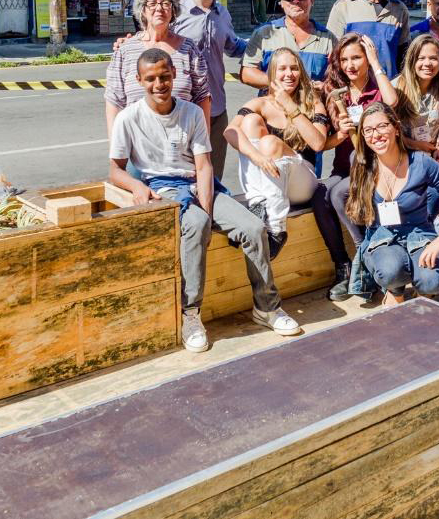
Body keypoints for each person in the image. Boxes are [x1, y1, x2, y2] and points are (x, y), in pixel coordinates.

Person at [109, 49, 301, 353]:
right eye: (151, 78)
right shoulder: (128, 118)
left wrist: (208, 207)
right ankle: (191, 313)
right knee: (195, 226)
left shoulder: (192, 113)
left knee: (252, 227)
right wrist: (136, 186)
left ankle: (267, 306)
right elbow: (115, 170)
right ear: (139, 80)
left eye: (164, 76)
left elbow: (204, 166)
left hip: (199, 182)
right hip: (163, 187)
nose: (159, 84)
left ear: (174, 74)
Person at [345, 103, 439, 305]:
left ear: (396, 128)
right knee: (390, 271)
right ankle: (395, 292)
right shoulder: (363, 167)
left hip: (419, 234)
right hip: (382, 237)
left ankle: (424, 293)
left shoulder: (420, 162)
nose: (375, 134)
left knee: (432, 281)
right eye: (368, 130)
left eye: (381, 126)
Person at [225, 48, 330, 259]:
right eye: (282, 69)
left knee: (270, 143)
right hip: (269, 184)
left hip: (302, 183)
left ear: (301, 72)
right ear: (272, 74)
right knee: (250, 121)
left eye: (294, 68)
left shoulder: (313, 103)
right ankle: (258, 205)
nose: (288, 74)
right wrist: (257, 157)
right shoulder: (260, 103)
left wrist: (291, 107)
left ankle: (276, 228)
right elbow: (230, 131)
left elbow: (318, 144)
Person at [320, 33, 401, 300]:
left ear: (367, 57)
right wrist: (341, 134)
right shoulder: (335, 93)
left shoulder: (378, 88)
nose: (350, 64)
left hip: (373, 166)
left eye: (357, 57)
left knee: (339, 193)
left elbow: (392, 102)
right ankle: (343, 265)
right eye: (344, 59)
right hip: (345, 166)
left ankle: (364, 250)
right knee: (321, 196)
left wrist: (377, 63)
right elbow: (326, 141)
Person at [104, 0, 210, 137]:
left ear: (173, 10)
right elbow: (114, 101)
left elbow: (202, 97)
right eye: (152, 3)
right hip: (137, 148)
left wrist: (203, 143)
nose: (159, 8)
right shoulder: (125, 50)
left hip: (181, 147)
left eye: (165, 3)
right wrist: (116, 148)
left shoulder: (189, 49)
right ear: (143, 10)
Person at [173, 0, 247, 176]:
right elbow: (152, 44)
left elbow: (234, 47)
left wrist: (267, 46)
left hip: (216, 111)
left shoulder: (222, 13)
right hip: (181, 111)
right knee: (183, 180)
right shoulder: (174, 11)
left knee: (213, 179)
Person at [241, 0, 337, 87]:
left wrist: (325, 86)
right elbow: (246, 73)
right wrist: (279, 83)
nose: (296, 1)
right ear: (281, 2)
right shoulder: (264, 33)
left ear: (312, 0)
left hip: (313, 103)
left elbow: (338, 76)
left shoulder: (328, 39)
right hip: (275, 103)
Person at [327, 0, 410, 78]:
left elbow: (403, 54)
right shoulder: (343, 7)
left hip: (389, 89)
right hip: (353, 90)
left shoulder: (400, 10)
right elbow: (333, 54)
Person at [393, 33, 439, 165]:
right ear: (412, 60)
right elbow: (387, 132)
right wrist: (415, 145)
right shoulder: (396, 88)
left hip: (431, 158)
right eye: (421, 58)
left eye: (433, 58)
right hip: (401, 158)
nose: (427, 63)